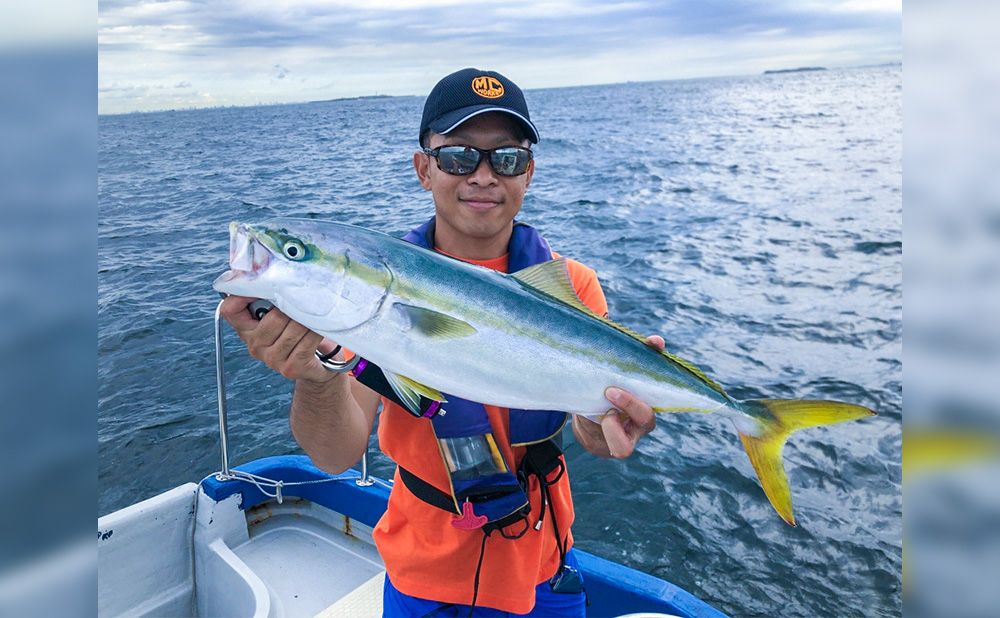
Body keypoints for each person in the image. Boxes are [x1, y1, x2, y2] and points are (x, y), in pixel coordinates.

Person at [220, 68, 662, 617]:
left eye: (506, 158)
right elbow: (333, 456)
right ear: (423, 169)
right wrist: (315, 378)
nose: (482, 176)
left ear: (528, 173)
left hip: (543, 569)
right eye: (458, 157)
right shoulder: (366, 297)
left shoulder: (572, 287)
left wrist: (611, 425)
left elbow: (593, 435)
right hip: (421, 576)